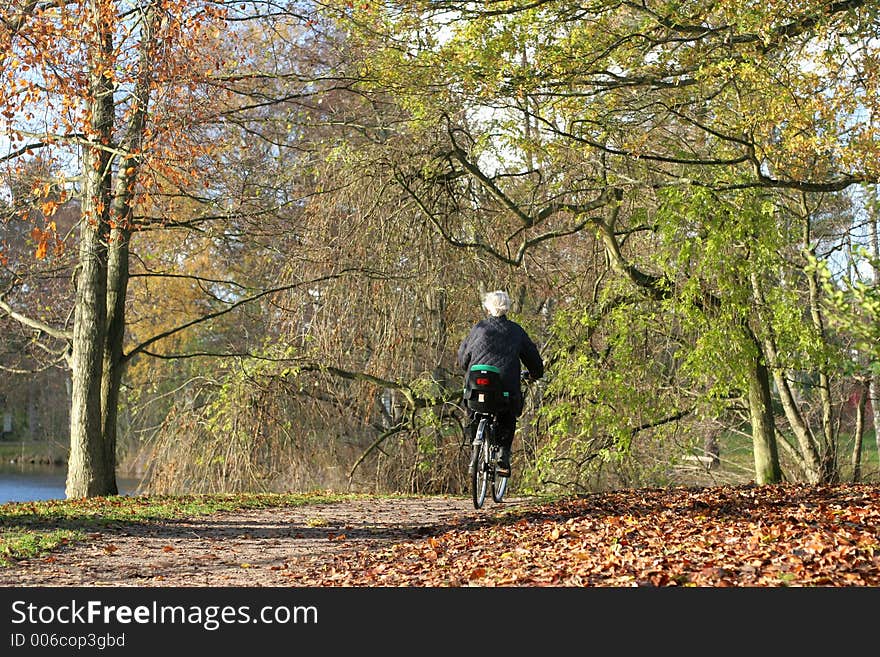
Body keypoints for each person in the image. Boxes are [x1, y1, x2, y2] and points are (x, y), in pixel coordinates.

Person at [457, 290, 543, 476]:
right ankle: (503, 454)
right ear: (507, 307)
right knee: (508, 413)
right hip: (504, 388)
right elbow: (533, 359)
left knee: (473, 411)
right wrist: (535, 374)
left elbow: (463, 358)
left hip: (476, 387)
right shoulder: (516, 331)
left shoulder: (478, 329)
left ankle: (475, 447)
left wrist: (468, 366)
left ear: (488, 308)